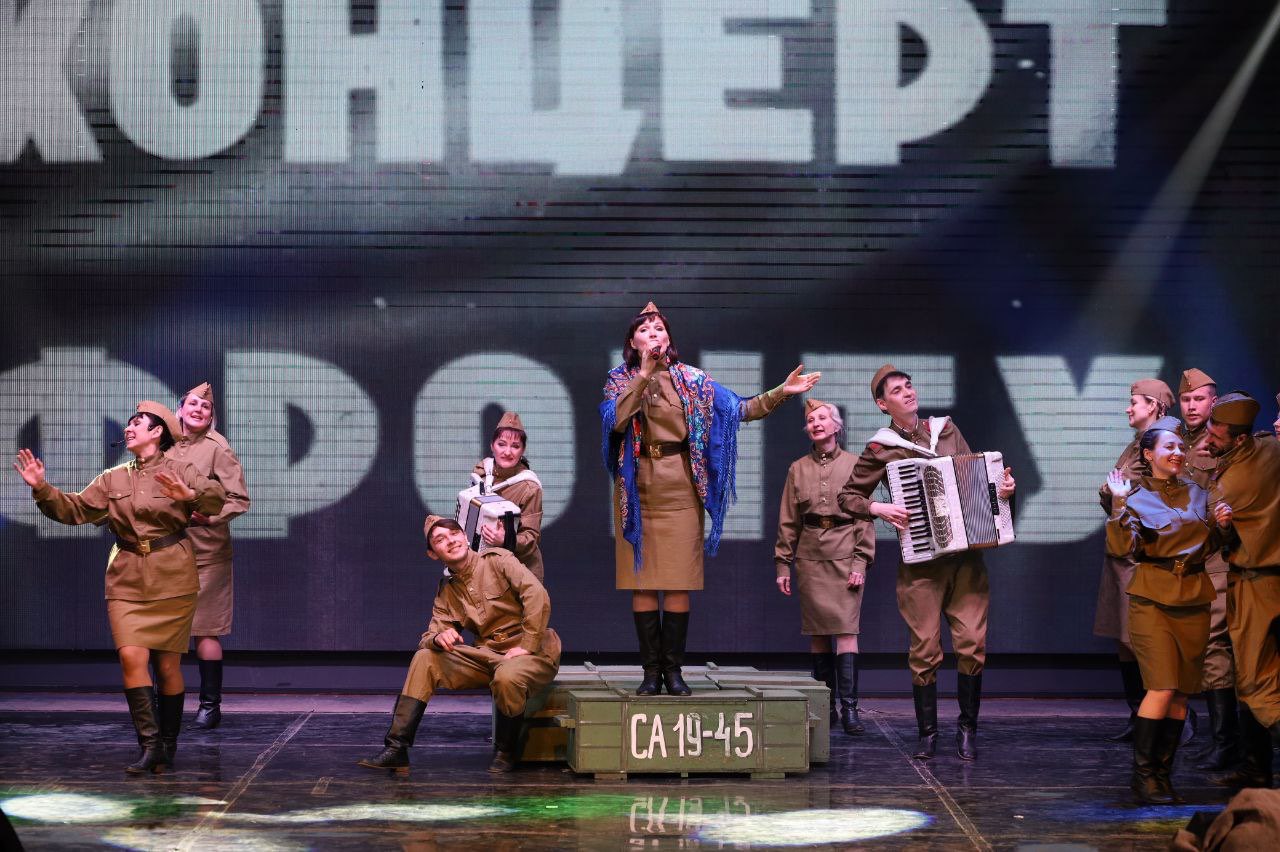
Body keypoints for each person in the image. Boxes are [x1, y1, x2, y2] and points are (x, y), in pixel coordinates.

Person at [601, 301, 819, 696]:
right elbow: (616, 419)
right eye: (645, 330)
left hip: (681, 489)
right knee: (642, 584)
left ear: (669, 338)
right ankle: (650, 673)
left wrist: (782, 392)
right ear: (632, 341)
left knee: (678, 583)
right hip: (638, 491)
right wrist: (645, 375)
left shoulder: (693, 380)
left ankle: (673, 672)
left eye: (660, 329)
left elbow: (739, 409)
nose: (654, 334)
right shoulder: (620, 380)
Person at [13, 401, 226, 774]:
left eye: (137, 423)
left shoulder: (182, 470)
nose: (129, 428)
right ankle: (149, 746)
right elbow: (75, 510)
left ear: (157, 432)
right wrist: (42, 488)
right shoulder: (113, 478)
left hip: (172, 576)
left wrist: (189, 497)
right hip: (126, 577)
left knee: (167, 666)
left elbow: (216, 498)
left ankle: (168, 745)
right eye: (129, 423)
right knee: (131, 657)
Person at [835, 365, 1015, 761]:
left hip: (966, 560)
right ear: (883, 404)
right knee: (925, 649)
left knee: (972, 644)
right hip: (922, 565)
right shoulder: (881, 448)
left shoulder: (945, 430)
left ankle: (967, 730)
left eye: (909, 385)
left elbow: (976, 480)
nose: (907, 392)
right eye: (897, 390)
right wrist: (878, 507)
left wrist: (1002, 491)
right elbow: (847, 497)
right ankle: (928, 733)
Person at [358, 516, 561, 774]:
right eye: (440, 540)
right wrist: (439, 637)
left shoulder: (498, 560)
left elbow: (536, 595)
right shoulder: (448, 590)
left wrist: (528, 645)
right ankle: (397, 748)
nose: (450, 541)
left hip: (531, 653)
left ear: (465, 537)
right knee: (426, 657)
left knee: (507, 676)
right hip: (489, 656)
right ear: (433, 554)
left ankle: (507, 750)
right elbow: (430, 633)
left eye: (454, 533)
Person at [1105, 416, 1225, 804]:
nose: (1177, 452)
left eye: (1180, 447)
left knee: (1183, 693)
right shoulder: (1135, 497)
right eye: (1168, 447)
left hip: (1194, 598)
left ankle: (1162, 775)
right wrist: (1118, 504)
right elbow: (1122, 548)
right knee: (1161, 686)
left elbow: (1210, 545)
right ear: (1148, 454)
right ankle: (1143, 777)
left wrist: (1222, 527)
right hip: (1153, 600)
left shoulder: (1199, 493)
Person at [775, 398, 875, 735]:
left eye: (822, 418)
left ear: (836, 425)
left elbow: (864, 519)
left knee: (846, 632)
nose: (816, 424)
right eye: (810, 420)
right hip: (810, 558)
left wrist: (861, 561)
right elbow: (788, 521)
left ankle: (850, 710)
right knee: (818, 634)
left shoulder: (856, 465)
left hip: (846, 556)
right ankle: (825, 707)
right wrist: (783, 564)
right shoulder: (797, 468)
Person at [1203, 392, 1280, 789]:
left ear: (1239, 438)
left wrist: (1221, 526)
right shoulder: (1270, 449)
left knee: (1255, 680)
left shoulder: (1230, 483)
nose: (1207, 439)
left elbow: (1215, 537)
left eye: (1215, 434)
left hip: (1256, 584)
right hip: (1266, 580)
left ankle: (1257, 766)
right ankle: (1255, 767)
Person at [1094, 378, 1176, 743]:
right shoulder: (1137, 444)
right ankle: (1138, 713)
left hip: (1140, 553)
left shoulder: (1162, 444)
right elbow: (1115, 491)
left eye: (1135, 402)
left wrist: (1116, 494)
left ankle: (1167, 716)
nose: (1129, 408)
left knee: (1139, 639)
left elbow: (1153, 495)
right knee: (1123, 638)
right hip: (1121, 549)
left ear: (1154, 405)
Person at [167, 382, 250, 729]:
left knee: (205, 629)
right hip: (166, 550)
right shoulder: (162, 442)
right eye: (193, 404)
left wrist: (211, 517)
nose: (199, 410)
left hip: (206, 552)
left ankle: (209, 705)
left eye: (205, 407)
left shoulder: (218, 448)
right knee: (164, 631)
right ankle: (163, 702)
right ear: (180, 409)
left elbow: (239, 499)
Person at [1175, 369, 1237, 770]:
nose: (1192, 406)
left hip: (1217, 556)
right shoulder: (1177, 442)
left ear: (1214, 401)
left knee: (1216, 647)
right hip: (1188, 559)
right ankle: (1221, 739)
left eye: (1199, 399)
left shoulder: (1221, 442)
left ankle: (1227, 742)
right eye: (1186, 400)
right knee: (1198, 648)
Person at [469, 411, 545, 581]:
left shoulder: (529, 487)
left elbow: (531, 539)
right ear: (492, 445)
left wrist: (505, 539)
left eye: (515, 446)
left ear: (522, 450)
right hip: (484, 566)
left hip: (520, 571)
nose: (507, 452)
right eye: (501, 444)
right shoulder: (481, 472)